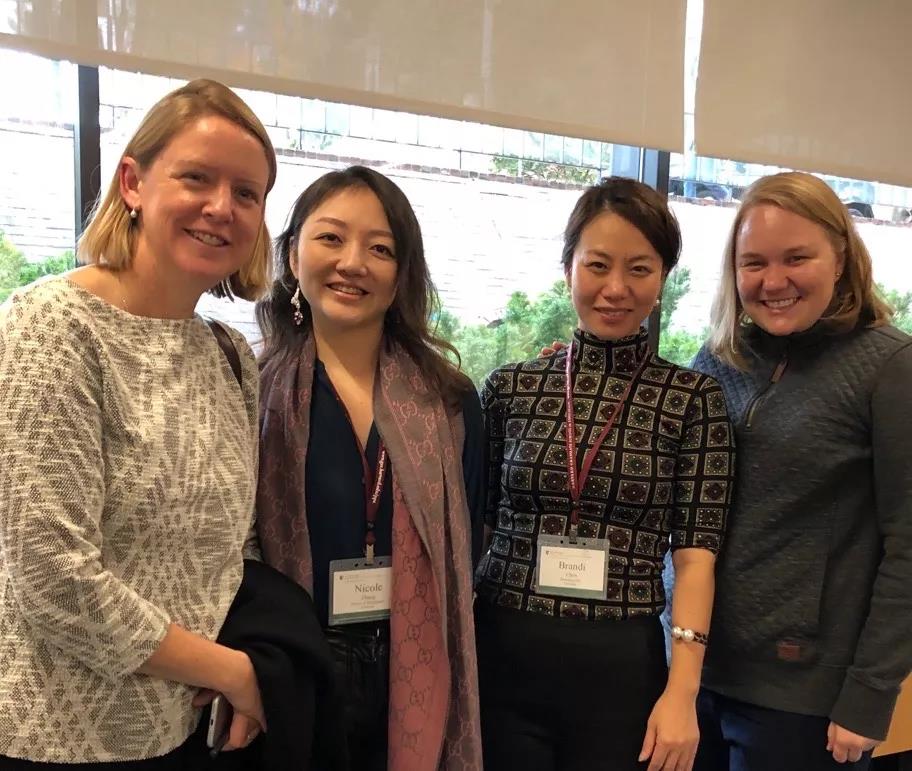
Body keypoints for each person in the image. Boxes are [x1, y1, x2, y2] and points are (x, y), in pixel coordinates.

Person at [0, 79, 276, 768]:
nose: (222, 207)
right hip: (54, 740)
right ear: (133, 182)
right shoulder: (51, 327)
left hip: (182, 731)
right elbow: (52, 576)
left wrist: (244, 663)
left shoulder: (229, 354)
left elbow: (235, 544)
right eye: (197, 178)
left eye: (246, 193)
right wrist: (233, 671)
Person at [475, 176, 735, 771]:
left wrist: (682, 693)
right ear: (568, 266)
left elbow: (695, 560)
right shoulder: (511, 388)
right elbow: (476, 528)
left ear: (663, 278)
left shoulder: (691, 399)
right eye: (597, 265)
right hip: (501, 651)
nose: (616, 289)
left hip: (620, 668)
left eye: (639, 269)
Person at [254, 165, 485, 771]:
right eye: (331, 238)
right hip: (291, 666)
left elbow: (470, 541)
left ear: (402, 272)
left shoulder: (450, 402)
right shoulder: (250, 393)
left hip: (415, 661)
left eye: (380, 249)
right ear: (293, 255)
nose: (353, 263)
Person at [691, 171, 912, 770]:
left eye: (796, 258)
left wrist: (870, 693)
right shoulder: (720, 360)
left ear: (840, 257)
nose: (773, 281)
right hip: (692, 674)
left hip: (805, 701)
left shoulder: (890, 367)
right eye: (753, 262)